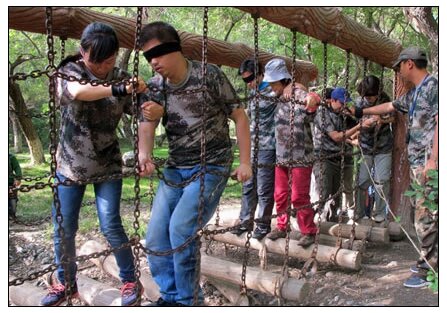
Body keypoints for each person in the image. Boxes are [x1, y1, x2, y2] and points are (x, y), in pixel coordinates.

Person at [137, 21, 252, 306]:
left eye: (158, 54)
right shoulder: (155, 86)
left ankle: (189, 301)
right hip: (177, 167)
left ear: (175, 49)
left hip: (212, 164)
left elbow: (239, 116)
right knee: (154, 238)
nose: (154, 62)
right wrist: (144, 155)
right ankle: (171, 296)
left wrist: (245, 162)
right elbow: (147, 122)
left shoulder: (209, 76)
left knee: (180, 229)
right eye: (148, 57)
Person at [40, 22, 152, 306]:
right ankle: (66, 284)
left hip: (107, 163)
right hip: (69, 165)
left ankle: (130, 280)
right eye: (96, 61)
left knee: (111, 224)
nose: (102, 67)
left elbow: (145, 112)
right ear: (82, 51)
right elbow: (77, 92)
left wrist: (146, 99)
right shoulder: (69, 71)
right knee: (63, 228)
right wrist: (116, 89)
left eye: (109, 61)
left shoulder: (122, 77)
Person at [353, 47, 438, 288]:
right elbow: (390, 106)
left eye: (399, 65)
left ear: (409, 64)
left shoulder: (435, 87)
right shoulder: (415, 92)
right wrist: (362, 111)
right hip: (419, 162)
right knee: (423, 212)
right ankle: (429, 259)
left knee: (426, 215)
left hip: (429, 163)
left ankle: (429, 269)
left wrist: (434, 159)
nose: (398, 71)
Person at [262, 58, 319, 248]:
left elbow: (313, 104)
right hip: (282, 156)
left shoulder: (299, 94)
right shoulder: (276, 96)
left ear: (283, 79)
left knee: (299, 197)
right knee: (280, 194)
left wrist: (312, 99)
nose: (271, 87)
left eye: (273, 83)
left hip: (301, 156)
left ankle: (308, 231)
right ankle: (282, 225)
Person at [313, 87, 376, 223]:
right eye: (342, 103)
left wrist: (366, 122)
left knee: (337, 195)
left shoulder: (343, 114)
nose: (344, 106)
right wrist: (359, 127)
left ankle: (332, 221)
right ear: (333, 100)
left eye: (346, 103)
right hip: (324, 157)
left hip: (339, 158)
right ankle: (316, 222)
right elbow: (336, 136)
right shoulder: (322, 114)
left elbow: (352, 129)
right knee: (323, 192)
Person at [230, 58, 276, 240]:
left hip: (268, 147)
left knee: (264, 188)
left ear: (261, 75)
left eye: (250, 79)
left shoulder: (274, 90)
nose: (248, 83)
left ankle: (263, 225)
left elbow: (293, 89)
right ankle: (245, 221)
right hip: (252, 146)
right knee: (248, 185)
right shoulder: (252, 94)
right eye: (245, 80)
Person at [355, 75, 394, 222]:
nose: (370, 98)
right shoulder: (358, 102)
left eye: (373, 95)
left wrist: (382, 120)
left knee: (381, 181)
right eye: (367, 96)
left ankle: (380, 215)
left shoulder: (386, 99)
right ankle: (359, 214)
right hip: (365, 146)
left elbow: (395, 117)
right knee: (362, 181)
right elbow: (352, 119)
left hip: (383, 146)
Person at [8, 153, 22, 220]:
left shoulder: (11, 157)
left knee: (12, 200)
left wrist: (18, 177)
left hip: (10, 182)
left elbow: (17, 167)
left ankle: (11, 214)